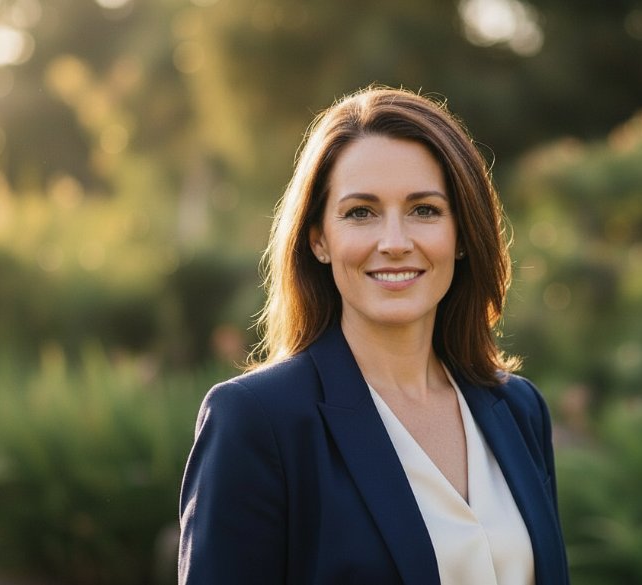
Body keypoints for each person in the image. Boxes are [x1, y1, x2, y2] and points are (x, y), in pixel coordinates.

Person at [178, 86, 571, 585]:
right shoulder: (258, 421)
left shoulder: (518, 409)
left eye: (424, 210)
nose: (394, 243)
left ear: (462, 235)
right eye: (360, 212)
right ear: (319, 238)